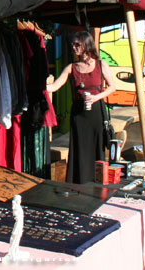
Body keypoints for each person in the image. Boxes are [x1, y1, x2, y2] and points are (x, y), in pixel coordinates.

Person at [47, 31, 116, 183]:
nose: (74, 47)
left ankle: (98, 179)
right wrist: (42, 88)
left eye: (77, 44)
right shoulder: (72, 67)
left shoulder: (100, 65)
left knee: (97, 146)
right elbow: (56, 85)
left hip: (96, 111)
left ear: (86, 45)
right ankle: (78, 180)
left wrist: (96, 97)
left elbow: (112, 87)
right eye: (73, 44)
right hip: (79, 113)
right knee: (79, 146)